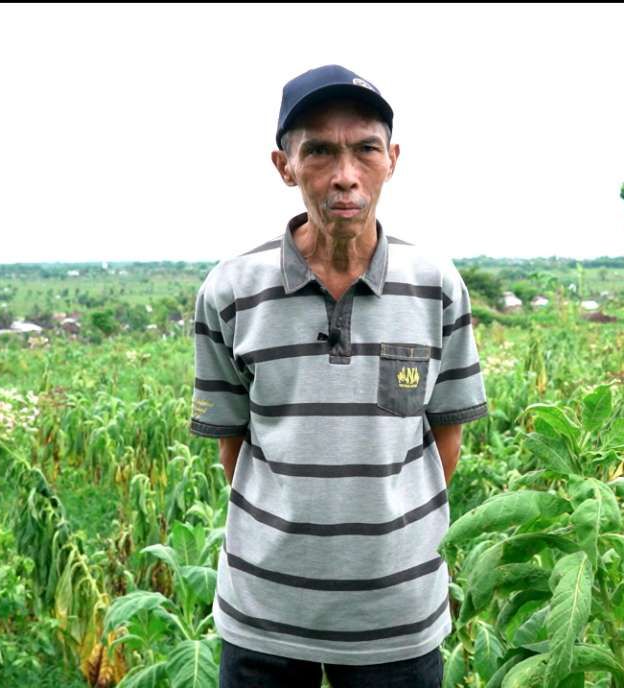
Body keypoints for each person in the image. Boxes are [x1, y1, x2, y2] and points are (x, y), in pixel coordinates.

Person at [189, 64, 488, 688]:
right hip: (264, 613)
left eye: (364, 149)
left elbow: (445, 438)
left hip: (397, 616)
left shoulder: (435, 287)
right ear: (284, 165)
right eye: (319, 151)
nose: (344, 174)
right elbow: (234, 442)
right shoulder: (231, 291)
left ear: (393, 159)